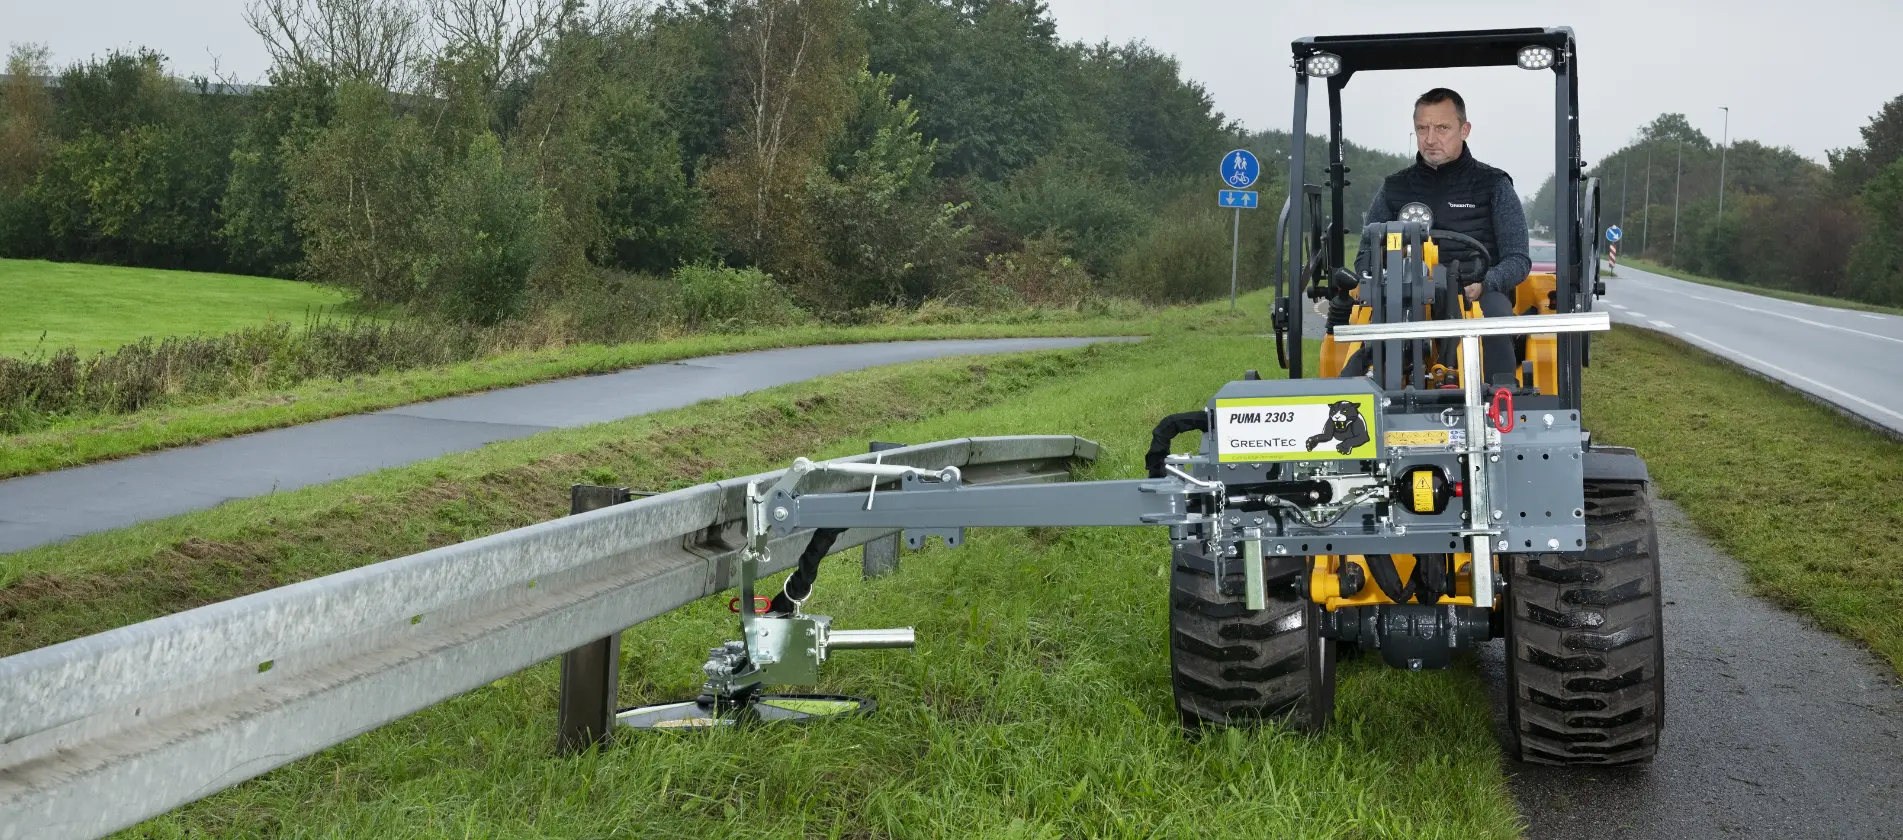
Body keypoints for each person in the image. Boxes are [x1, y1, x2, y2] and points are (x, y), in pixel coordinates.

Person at [1345, 87, 1531, 386]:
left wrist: (1485, 285)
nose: (1430, 139)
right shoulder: (1395, 188)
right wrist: (1372, 276)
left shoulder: (1493, 185)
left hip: (1478, 294)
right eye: (1422, 128)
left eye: (1442, 128)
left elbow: (1518, 259)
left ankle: (1501, 395)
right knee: (1370, 322)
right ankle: (1354, 391)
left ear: (1464, 129)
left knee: (1496, 314)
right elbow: (1366, 254)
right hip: (1406, 293)